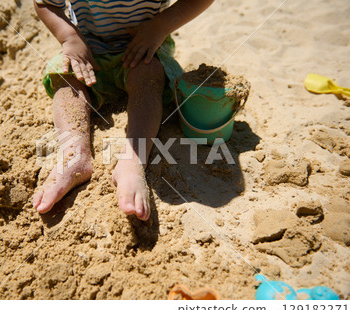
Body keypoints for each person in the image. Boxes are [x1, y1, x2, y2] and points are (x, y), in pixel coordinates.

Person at [32, 0, 214, 220]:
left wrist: (159, 27)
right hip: (86, 50)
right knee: (66, 80)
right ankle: (73, 155)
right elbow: (44, 3)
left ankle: (132, 161)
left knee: (148, 76)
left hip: (143, 47)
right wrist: (69, 37)